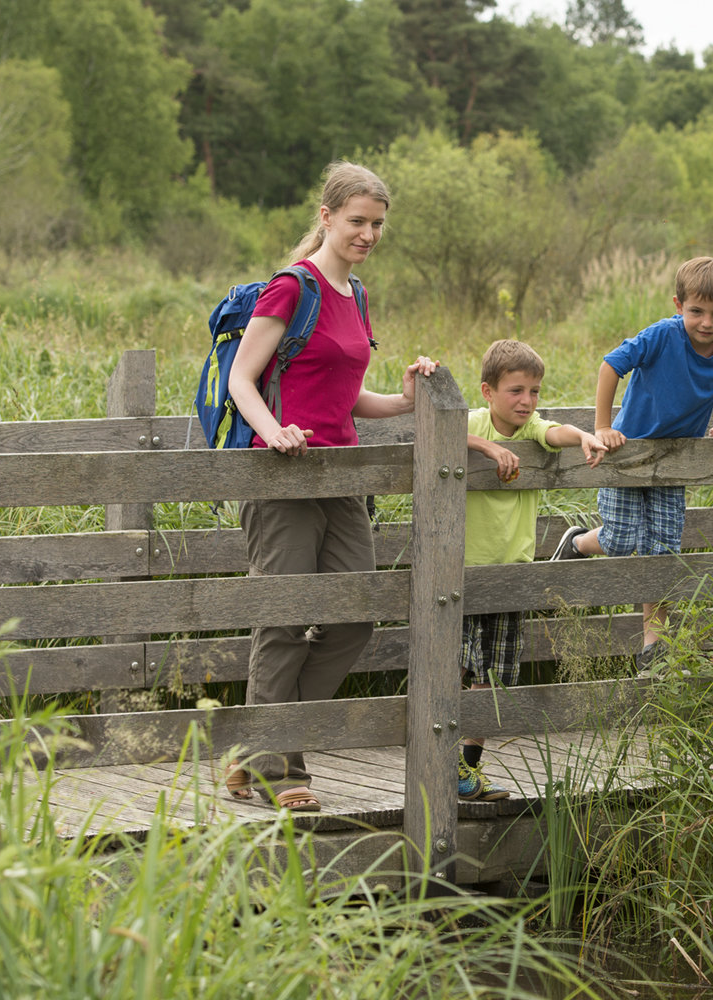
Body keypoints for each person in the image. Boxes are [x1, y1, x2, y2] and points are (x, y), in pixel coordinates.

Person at [223, 161, 438, 812]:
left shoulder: (358, 295)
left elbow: (346, 399)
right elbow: (242, 379)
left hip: (342, 477)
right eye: (356, 222)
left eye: (377, 224)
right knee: (283, 622)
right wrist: (275, 430)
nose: (367, 234)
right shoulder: (292, 288)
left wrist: (403, 400)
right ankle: (274, 766)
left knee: (352, 619)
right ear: (326, 217)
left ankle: (257, 749)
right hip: (283, 475)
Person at [547, 257, 713, 673]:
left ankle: (654, 642)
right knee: (622, 541)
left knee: (664, 550)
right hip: (628, 453)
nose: (706, 322)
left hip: (675, 461)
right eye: (696, 311)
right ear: (679, 305)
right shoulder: (662, 337)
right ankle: (577, 542)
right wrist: (603, 427)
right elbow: (610, 365)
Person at [460, 339, 608, 800]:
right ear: (488, 391)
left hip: (513, 573)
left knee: (494, 677)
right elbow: (441, 431)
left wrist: (583, 435)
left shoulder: (532, 430)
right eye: (515, 391)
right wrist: (488, 448)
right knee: (456, 669)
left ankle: (465, 769)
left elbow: (554, 431)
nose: (526, 401)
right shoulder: (473, 422)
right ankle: (441, 760)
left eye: (535, 391)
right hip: (464, 572)